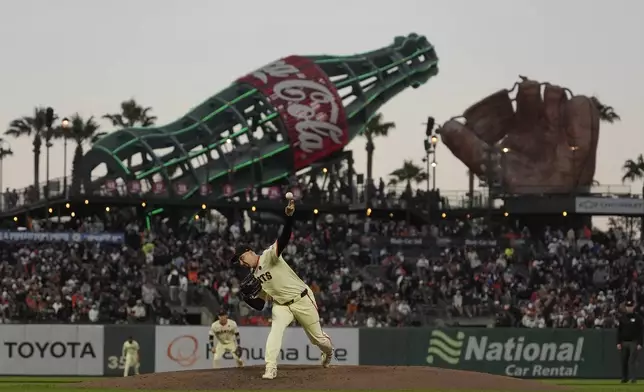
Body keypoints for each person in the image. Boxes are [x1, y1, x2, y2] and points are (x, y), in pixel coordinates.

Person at [232, 198, 334, 380]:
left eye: (240, 258)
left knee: (318, 340)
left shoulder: (268, 256)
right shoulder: (254, 276)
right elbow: (260, 305)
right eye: (238, 261)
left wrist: (289, 218)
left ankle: (328, 352)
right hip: (281, 306)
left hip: (302, 298)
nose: (240, 263)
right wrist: (246, 297)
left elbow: (284, 238)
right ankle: (270, 368)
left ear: (249, 251)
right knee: (275, 332)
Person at [617, 300, 643, 383]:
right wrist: (618, 342)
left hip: (633, 342)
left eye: (630, 307)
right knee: (624, 360)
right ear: (626, 308)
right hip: (624, 342)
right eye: (628, 307)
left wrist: (640, 343)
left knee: (632, 360)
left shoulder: (638, 318)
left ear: (633, 307)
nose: (629, 308)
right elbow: (619, 331)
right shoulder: (622, 318)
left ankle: (633, 378)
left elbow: (641, 331)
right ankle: (624, 378)